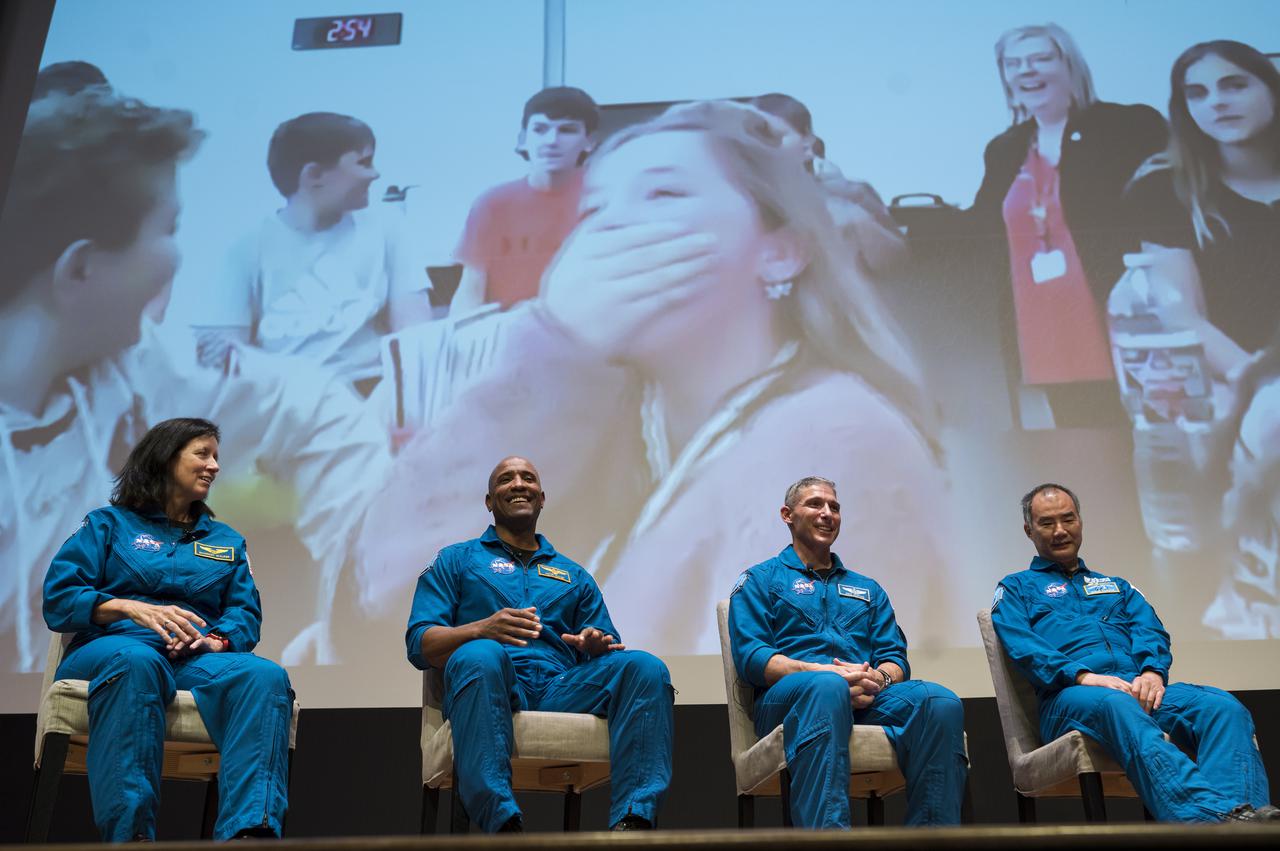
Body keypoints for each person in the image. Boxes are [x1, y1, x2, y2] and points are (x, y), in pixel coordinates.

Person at [358, 100, 956, 659]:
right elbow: (390, 608)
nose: (608, 230)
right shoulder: (607, 416)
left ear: (780, 252)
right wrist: (557, 348)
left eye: (664, 192)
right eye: (593, 211)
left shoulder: (835, 436)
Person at [0, 88, 392, 673]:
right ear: (80, 267)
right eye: (169, 228)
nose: (176, 260)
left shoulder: (134, 363)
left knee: (259, 679)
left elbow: (308, 409)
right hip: (106, 671)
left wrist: (361, 599)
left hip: (171, 664)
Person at [42, 418, 292, 841]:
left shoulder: (226, 540)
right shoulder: (107, 525)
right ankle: (132, 835)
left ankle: (251, 831)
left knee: (264, 676)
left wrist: (215, 640)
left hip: (188, 660)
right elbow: (59, 599)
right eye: (202, 453)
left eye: (216, 456)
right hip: (111, 649)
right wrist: (125, 607)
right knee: (137, 661)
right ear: (165, 457)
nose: (213, 466)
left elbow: (245, 614)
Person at [404, 456, 673, 832]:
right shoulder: (456, 560)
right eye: (506, 479)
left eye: (528, 478)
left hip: (559, 688)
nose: (518, 484)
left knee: (646, 668)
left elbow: (608, 644)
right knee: (481, 654)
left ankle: (634, 821)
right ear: (488, 501)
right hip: (490, 683)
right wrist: (481, 629)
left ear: (542, 498)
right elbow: (419, 643)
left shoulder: (573, 575)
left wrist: (595, 644)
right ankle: (502, 823)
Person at [990, 482, 1279, 822]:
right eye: (1047, 523)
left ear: (1080, 522)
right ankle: (1208, 820)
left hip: (1133, 687)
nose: (1060, 531)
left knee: (1221, 706)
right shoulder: (1015, 588)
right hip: (1069, 698)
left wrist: (1152, 673)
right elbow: (1024, 647)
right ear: (1029, 530)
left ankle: (1243, 819)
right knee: (1117, 703)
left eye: (1068, 519)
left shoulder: (1117, 586)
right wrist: (1085, 677)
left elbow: (1150, 630)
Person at [727, 476, 967, 827]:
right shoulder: (760, 580)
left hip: (866, 699)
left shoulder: (867, 589)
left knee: (939, 702)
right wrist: (826, 675)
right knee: (827, 688)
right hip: (786, 703)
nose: (827, 513)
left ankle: (932, 840)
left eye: (834, 507)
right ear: (787, 515)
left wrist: (877, 678)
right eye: (815, 504)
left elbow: (895, 659)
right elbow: (754, 658)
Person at [968, 23, 1167, 428]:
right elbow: (980, 224)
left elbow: (1166, 209)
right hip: (1048, 328)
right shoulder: (1004, 148)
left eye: (1041, 58)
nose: (1026, 70)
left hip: (1120, 317)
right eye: (1014, 64)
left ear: (1070, 65)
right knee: (1084, 442)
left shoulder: (1127, 126)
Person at [206, 111, 431, 390]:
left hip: (373, 393)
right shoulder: (246, 250)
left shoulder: (388, 227)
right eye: (364, 162)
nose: (376, 174)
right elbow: (226, 362)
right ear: (314, 175)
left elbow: (416, 333)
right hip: (288, 403)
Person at [1125, 40, 1280, 377]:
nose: (1217, 102)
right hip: (1240, 389)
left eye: (1235, 86)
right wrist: (1263, 388)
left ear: (1273, 91)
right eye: (1197, 93)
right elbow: (1178, 314)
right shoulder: (1163, 190)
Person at [449, 86, 599, 313]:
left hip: (586, 335)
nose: (551, 140)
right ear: (522, 139)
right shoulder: (493, 204)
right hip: (508, 338)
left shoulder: (603, 200)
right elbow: (471, 291)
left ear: (589, 141)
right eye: (540, 129)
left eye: (567, 130)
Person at [751, 92, 907, 280]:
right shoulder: (738, 200)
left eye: (774, 136)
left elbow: (899, 266)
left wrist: (857, 219)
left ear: (807, 142)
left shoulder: (852, 194)